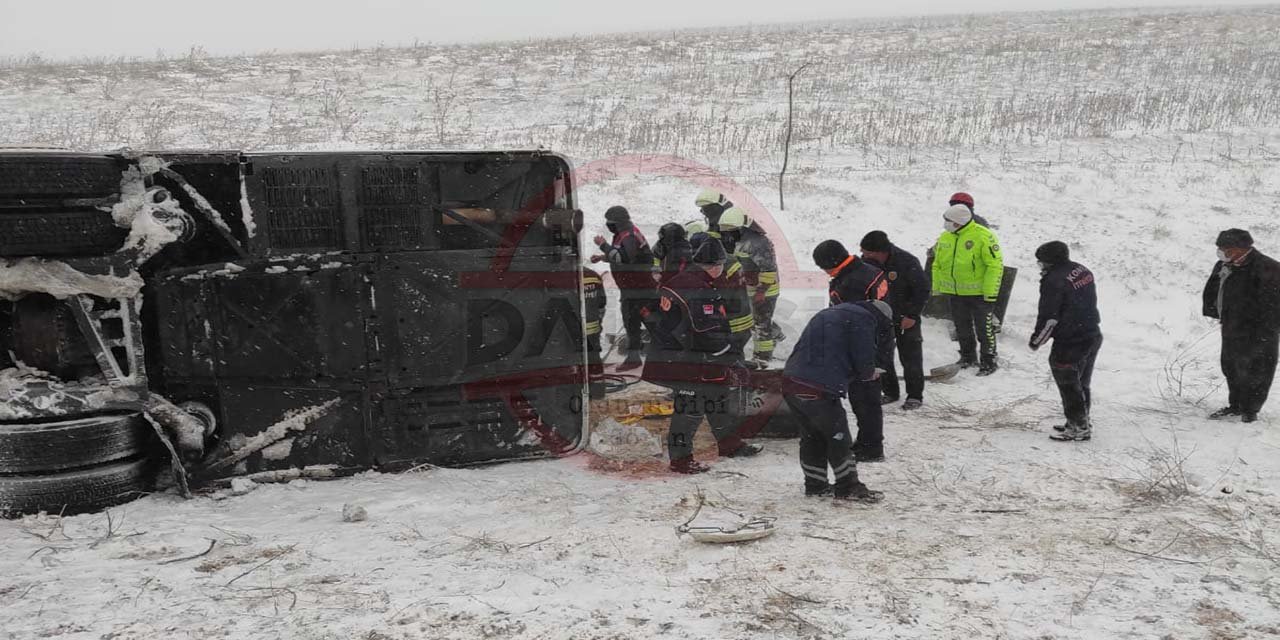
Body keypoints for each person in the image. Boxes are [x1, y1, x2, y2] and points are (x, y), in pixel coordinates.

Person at [643, 237, 761, 474]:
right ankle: (680, 459)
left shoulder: (684, 279)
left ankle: (729, 444)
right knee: (689, 410)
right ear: (716, 266)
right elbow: (707, 333)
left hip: (683, 355)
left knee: (717, 397)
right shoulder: (701, 291)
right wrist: (731, 351)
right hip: (684, 361)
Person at [783, 301, 886, 503]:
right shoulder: (863, 319)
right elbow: (863, 354)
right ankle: (848, 486)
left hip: (791, 380)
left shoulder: (829, 313)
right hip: (818, 386)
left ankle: (815, 484)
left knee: (812, 436)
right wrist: (868, 373)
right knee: (838, 437)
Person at [813, 240, 891, 461]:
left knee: (865, 400)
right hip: (877, 341)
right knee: (867, 399)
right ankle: (868, 441)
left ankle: (872, 448)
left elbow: (852, 322)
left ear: (832, 263)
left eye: (823, 267)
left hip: (864, 348)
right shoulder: (867, 271)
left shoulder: (851, 283)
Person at [1202, 229, 1280, 423]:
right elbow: (1215, 289)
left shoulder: (1268, 268)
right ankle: (1235, 405)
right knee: (1231, 367)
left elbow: (1274, 304)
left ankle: (1250, 411)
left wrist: (1265, 329)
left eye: (1226, 249)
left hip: (1260, 331)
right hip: (1232, 326)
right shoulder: (1224, 265)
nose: (1221, 252)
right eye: (1219, 248)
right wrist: (1218, 313)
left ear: (1241, 249)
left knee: (1258, 371)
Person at [1029, 241, 1102, 441]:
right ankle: (1081, 420)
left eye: (1041, 262)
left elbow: (1049, 317)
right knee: (1081, 382)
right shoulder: (1081, 269)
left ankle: (1078, 427)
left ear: (1050, 262)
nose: (1040, 266)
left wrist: (1037, 340)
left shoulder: (1053, 281)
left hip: (1070, 340)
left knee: (1069, 384)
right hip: (1091, 333)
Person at [931, 204, 1004, 375]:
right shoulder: (946, 237)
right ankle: (967, 356)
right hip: (956, 293)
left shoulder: (983, 236)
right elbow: (938, 263)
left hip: (979, 294)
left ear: (959, 222)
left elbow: (994, 265)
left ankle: (989, 361)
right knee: (962, 327)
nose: (945, 224)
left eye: (948, 221)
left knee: (984, 329)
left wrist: (990, 292)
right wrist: (938, 287)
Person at [860, 231, 929, 410]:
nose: (864, 256)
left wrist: (912, 315)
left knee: (911, 357)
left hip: (906, 317)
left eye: (867, 253)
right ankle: (890, 391)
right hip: (881, 318)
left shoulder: (907, 261)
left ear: (879, 252)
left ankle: (915, 395)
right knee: (882, 357)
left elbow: (922, 290)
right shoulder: (865, 264)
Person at [592, 206, 655, 371]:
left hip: (640, 291)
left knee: (649, 324)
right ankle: (635, 358)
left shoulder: (629, 236)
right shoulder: (623, 234)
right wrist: (603, 257)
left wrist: (603, 245)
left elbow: (625, 257)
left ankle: (666, 358)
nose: (608, 225)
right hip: (632, 290)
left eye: (610, 222)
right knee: (632, 323)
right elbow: (621, 255)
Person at [718, 207, 783, 365]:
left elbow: (769, 269)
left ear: (741, 228)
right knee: (755, 318)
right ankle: (775, 333)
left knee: (761, 323)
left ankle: (762, 356)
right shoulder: (739, 240)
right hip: (750, 286)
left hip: (765, 289)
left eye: (730, 231)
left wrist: (761, 291)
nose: (728, 235)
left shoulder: (758, 242)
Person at [690, 231, 754, 357]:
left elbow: (716, 295)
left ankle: (735, 372)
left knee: (730, 354)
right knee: (734, 352)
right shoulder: (728, 258)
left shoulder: (717, 264)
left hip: (733, 320)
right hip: (743, 314)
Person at [583, 265, 608, 399]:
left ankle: (579, 391)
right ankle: (597, 392)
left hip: (570, 331)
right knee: (594, 360)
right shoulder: (592, 275)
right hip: (592, 329)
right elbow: (602, 303)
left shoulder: (563, 277)